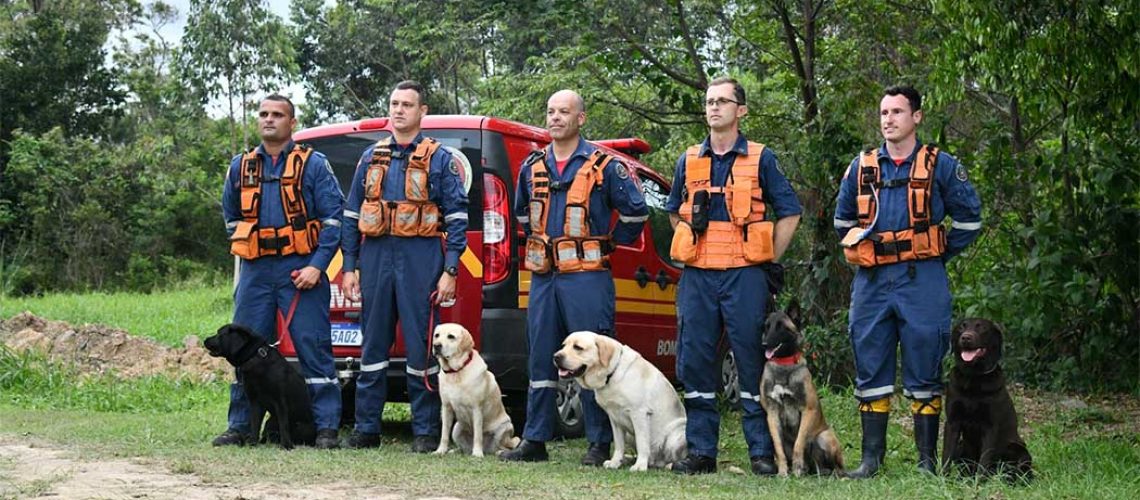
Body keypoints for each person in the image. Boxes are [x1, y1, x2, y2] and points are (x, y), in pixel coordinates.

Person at [833, 85, 982, 477]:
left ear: (916, 117)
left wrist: (937, 252)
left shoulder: (942, 165)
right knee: (870, 363)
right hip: (872, 281)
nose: (888, 119)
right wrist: (864, 249)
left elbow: (970, 219)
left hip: (923, 280)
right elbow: (842, 221)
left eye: (897, 112)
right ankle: (870, 460)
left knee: (925, 367)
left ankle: (927, 464)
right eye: (884, 112)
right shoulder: (861, 166)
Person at [499, 89, 648, 464]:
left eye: (564, 112)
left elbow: (636, 213)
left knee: (594, 360)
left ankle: (599, 443)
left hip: (587, 278)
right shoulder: (531, 166)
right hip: (545, 278)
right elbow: (521, 216)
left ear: (580, 118)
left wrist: (609, 243)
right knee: (540, 359)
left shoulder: (605, 166)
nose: (555, 118)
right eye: (550, 111)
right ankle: (534, 439)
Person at [665, 77, 802, 475]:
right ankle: (702, 452)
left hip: (746, 277)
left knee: (750, 361)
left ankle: (761, 452)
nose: (714, 108)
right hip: (699, 277)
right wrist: (689, 240)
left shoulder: (762, 158)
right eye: (709, 102)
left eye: (722, 101)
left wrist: (767, 257)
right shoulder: (688, 160)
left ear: (740, 110)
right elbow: (674, 210)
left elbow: (789, 211)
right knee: (695, 361)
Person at [340, 80, 469, 452]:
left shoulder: (440, 159)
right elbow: (351, 214)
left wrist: (450, 269)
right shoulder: (370, 157)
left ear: (422, 111)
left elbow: (457, 217)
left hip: (421, 257)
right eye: (394, 103)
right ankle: (367, 429)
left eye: (407, 104)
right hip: (377, 255)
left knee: (422, 348)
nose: (399, 110)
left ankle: (426, 431)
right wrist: (350, 265)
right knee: (372, 347)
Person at [218, 94, 344, 449]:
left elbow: (334, 220)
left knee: (313, 346)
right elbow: (231, 218)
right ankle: (241, 426)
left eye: (278, 115)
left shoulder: (314, 165)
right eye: (263, 114)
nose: (269, 120)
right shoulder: (240, 167)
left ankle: (325, 428)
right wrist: (251, 246)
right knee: (244, 351)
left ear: (292, 123)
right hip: (256, 272)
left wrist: (317, 267)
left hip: (299, 270)